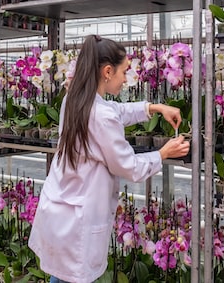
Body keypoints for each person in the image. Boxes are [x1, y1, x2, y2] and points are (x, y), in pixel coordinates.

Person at [28, 34, 190, 283]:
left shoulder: (73, 101)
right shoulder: (100, 114)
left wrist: (154, 108)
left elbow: (117, 111)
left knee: (59, 279)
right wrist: (163, 152)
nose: (126, 79)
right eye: (124, 72)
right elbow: (130, 167)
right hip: (76, 223)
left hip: (61, 215)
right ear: (107, 71)